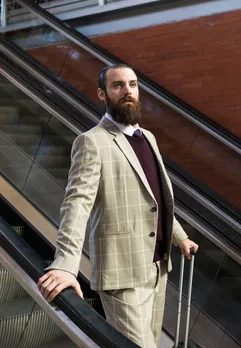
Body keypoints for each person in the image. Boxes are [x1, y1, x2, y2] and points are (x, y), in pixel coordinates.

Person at [37, 63, 198, 348]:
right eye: (117, 85)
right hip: (121, 272)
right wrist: (65, 265)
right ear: (102, 94)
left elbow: (157, 196)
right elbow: (76, 205)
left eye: (132, 84)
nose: (127, 91)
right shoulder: (91, 142)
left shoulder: (147, 137)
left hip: (157, 266)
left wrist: (179, 237)